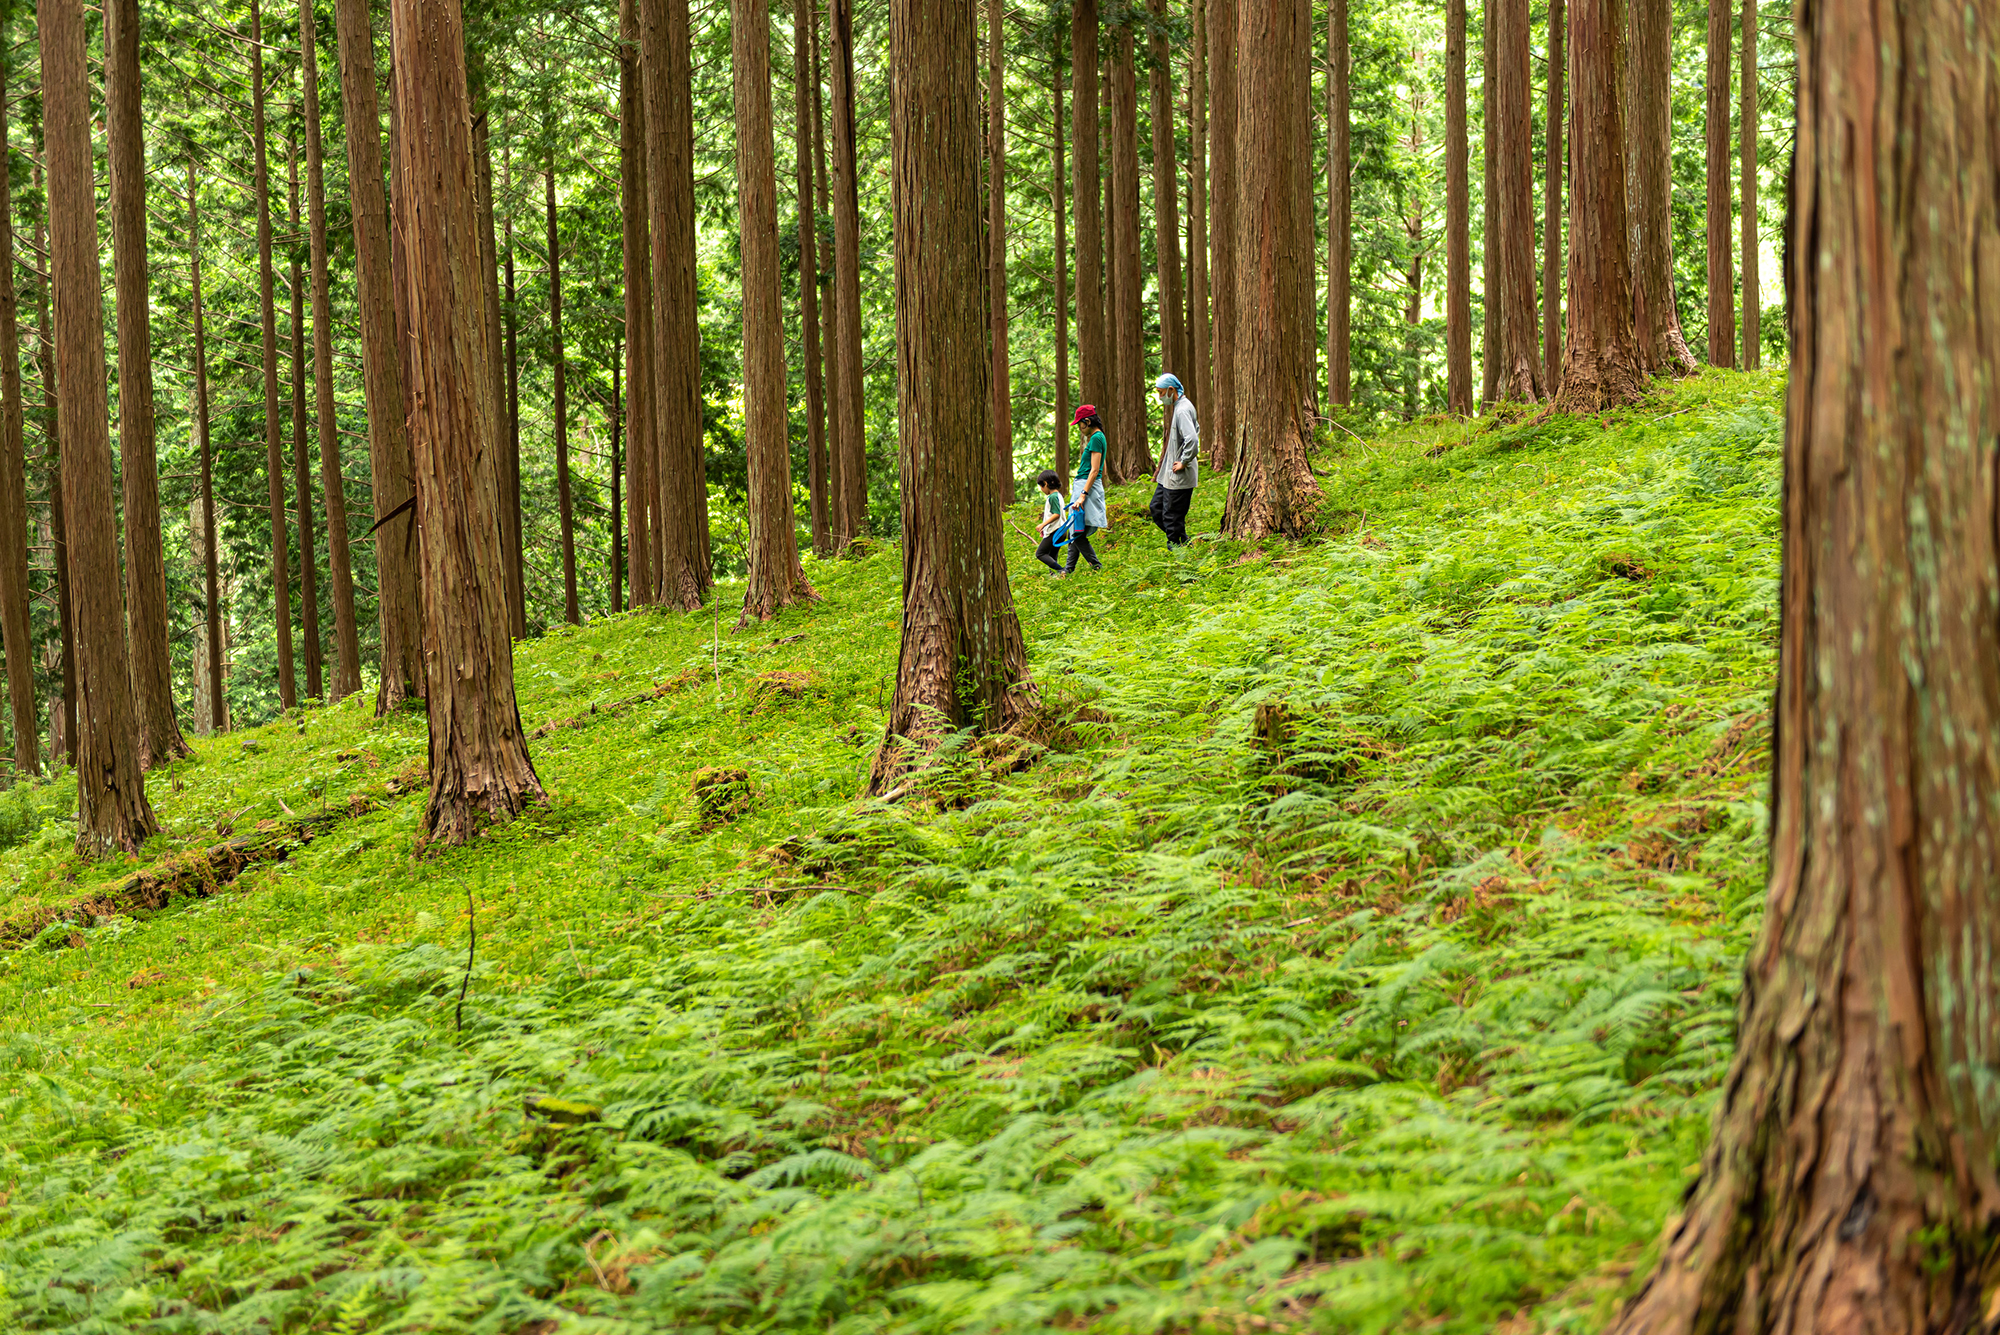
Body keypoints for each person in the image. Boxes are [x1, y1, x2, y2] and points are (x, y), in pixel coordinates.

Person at [1148, 373, 1198, 547]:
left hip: (1179, 476)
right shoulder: (1179, 407)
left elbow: (1192, 439)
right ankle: (1183, 541)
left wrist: (1184, 461)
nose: (1160, 397)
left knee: (1172, 517)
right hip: (1168, 476)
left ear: (1171, 390)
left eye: (1161, 392)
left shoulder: (1183, 409)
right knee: (1156, 508)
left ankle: (1178, 549)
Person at [1065, 405, 1108, 574]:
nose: (1079, 428)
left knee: (1077, 532)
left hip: (1085, 486)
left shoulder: (1096, 438)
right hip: (1083, 485)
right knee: (1075, 530)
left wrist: (1083, 494)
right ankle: (1068, 571)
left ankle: (1096, 566)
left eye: (1080, 424)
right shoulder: (1097, 437)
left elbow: (1095, 470)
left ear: (1088, 421)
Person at [1033, 470, 1069, 574]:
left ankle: (1061, 571)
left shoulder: (1053, 497)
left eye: (1041, 486)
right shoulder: (1058, 495)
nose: (1041, 489)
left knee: (1040, 553)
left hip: (1055, 531)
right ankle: (1054, 576)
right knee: (1052, 555)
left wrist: (1043, 524)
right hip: (1061, 530)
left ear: (1046, 483)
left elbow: (1056, 514)